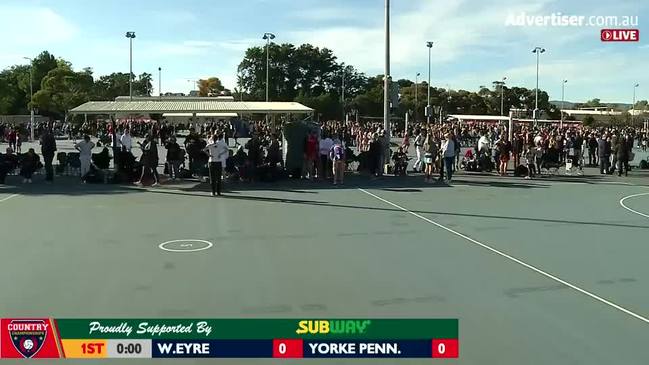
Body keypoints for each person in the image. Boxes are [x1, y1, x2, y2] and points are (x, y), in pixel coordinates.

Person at [204, 132, 229, 196]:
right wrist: (220, 154)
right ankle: (218, 192)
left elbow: (204, 150)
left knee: (212, 178)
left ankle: (213, 192)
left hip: (212, 161)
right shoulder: (220, 144)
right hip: (218, 161)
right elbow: (226, 149)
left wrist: (209, 155)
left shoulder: (210, 145)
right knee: (218, 178)